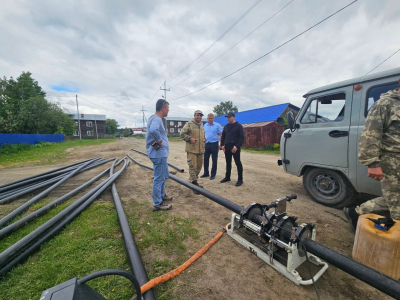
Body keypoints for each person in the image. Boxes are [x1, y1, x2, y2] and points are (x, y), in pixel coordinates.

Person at [344, 82, 400, 230]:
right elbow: (370, 135)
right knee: (397, 204)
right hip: (392, 161)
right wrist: (372, 163)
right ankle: (392, 243)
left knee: (394, 198)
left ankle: (356, 212)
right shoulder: (385, 104)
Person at [146, 99, 173, 211]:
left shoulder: (153, 118)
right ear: (163, 108)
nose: (168, 110)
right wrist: (159, 140)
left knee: (165, 175)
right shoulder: (157, 119)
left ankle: (162, 194)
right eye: (167, 108)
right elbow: (153, 130)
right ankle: (158, 203)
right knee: (159, 178)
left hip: (160, 154)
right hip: (158, 154)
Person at [180, 110, 206, 194]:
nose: (199, 117)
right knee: (193, 167)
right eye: (197, 115)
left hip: (200, 150)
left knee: (199, 167)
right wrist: (189, 139)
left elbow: (202, 135)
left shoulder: (201, 125)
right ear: (194, 115)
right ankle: (194, 184)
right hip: (192, 150)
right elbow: (182, 134)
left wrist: (204, 139)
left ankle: (194, 181)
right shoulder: (189, 124)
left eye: (200, 115)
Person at [220, 112, 244, 186]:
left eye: (229, 117)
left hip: (235, 147)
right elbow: (223, 137)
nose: (228, 118)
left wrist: (237, 146)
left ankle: (240, 179)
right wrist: (222, 145)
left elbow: (241, 137)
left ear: (234, 117)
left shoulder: (239, 126)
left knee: (238, 163)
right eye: (227, 117)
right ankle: (227, 177)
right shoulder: (226, 127)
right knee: (228, 162)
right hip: (227, 147)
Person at [200, 113, 223, 180]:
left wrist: (221, 144)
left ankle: (213, 174)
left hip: (214, 144)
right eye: (209, 118)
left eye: (211, 118)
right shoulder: (205, 126)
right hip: (207, 144)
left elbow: (221, 135)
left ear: (213, 118)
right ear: (207, 119)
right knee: (205, 159)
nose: (210, 119)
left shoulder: (217, 125)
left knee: (214, 160)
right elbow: (203, 134)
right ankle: (206, 173)